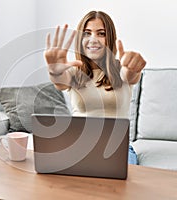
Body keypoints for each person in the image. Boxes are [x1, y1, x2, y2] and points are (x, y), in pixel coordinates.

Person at [44, 10, 146, 164]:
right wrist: (53, 70)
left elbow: (130, 75)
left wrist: (133, 68)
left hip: (118, 148)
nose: (93, 39)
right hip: (78, 146)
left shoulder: (121, 69)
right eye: (87, 33)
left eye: (101, 33)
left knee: (120, 185)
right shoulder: (73, 73)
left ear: (110, 38)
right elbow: (59, 80)